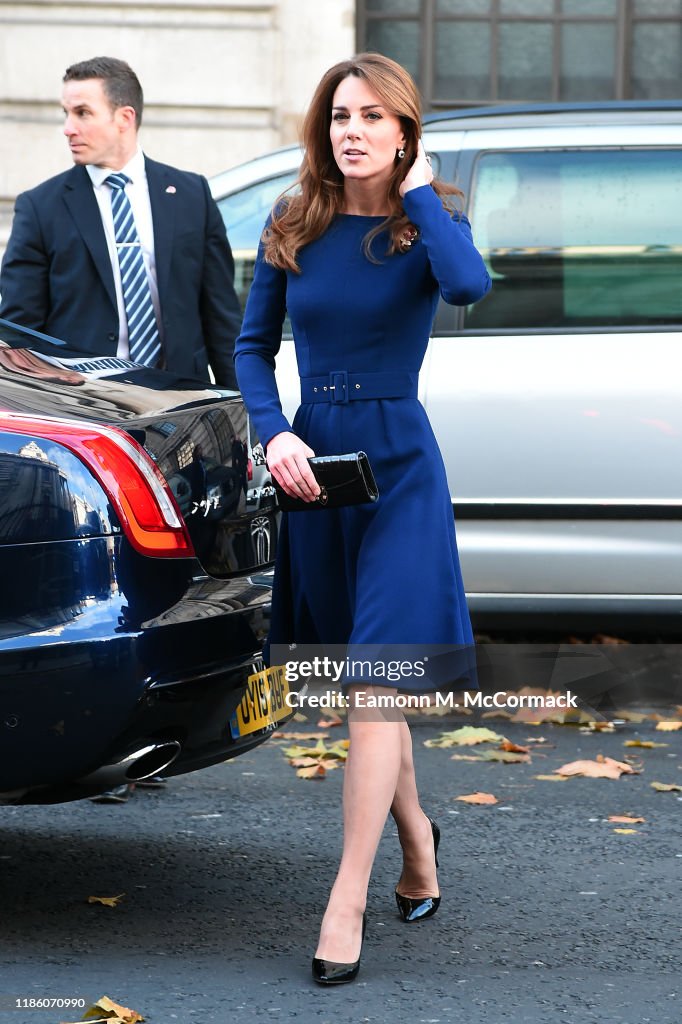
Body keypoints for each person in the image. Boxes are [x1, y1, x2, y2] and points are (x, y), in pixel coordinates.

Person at [234, 53, 491, 985]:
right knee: (362, 679)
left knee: (373, 687)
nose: (352, 129)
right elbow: (252, 347)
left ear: (404, 133)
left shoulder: (432, 225)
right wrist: (274, 436)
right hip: (318, 474)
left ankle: (345, 899)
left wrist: (421, 196)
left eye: (374, 117)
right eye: (341, 114)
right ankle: (419, 841)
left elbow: (469, 287)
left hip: (402, 474)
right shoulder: (293, 221)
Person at [0, 56, 241, 389]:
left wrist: (244, 410)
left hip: (182, 406)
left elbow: (222, 320)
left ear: (124, 118)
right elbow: (18, 336)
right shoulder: (40, 208)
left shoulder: (191, 195)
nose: (68, 128)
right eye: (66, 114)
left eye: (83, 113)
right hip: (87, 412)